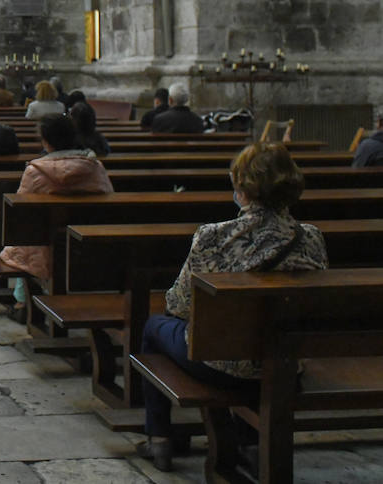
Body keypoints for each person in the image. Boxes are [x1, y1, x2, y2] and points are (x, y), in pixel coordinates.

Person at [137, 142, 327, 471]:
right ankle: (250, 441)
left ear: (242, 186)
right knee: (261, 334)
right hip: (284, 364)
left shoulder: (213, 237)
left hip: (221, 365)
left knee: (154, 328)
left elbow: (178, 305)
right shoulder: (310, 237)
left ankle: (160, 438)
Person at [0, 114, 113, 285]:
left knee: (27, 239)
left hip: (43, 249)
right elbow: (108, 201)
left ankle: (22, 300)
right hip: (88, 245)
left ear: (45, 141)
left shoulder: (35, 171)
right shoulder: (95, 168)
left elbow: (20, 216)